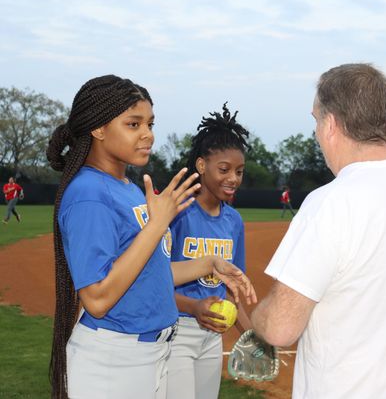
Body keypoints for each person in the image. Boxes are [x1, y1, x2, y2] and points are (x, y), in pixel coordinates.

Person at [250, 63, 386, 398]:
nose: (318, 134)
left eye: (317, 121)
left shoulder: (332, 202)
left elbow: (280, 327)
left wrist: (257, 320)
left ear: (331, 124)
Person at [46, 76, 255, 399]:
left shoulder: (129, 190)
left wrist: (209, 263)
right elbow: (97, 299)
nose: (148, 135)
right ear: (99, 129)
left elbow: (150, 274)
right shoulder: (89, 193)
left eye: (150, 124)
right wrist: (157, 225)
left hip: (150, 355)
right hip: (113, 362)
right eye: (133, 124)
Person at [167, 103, 253, 399]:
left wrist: (252, 337)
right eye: (224, 169)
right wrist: (193, 307)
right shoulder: (178, 213)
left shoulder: (234, 221)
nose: (233, 179)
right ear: (201, 166)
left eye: (239, 171)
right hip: (177, 330)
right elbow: (153, 280)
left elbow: (234, 290)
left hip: (212, 336)